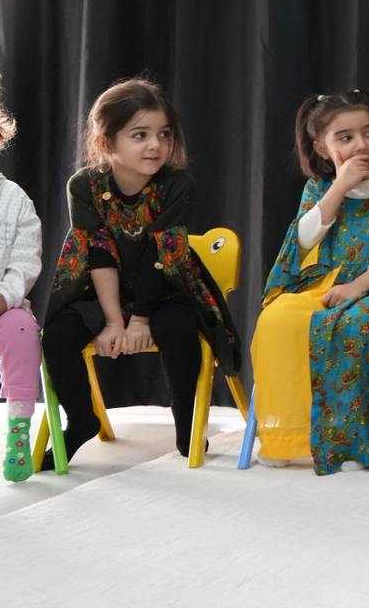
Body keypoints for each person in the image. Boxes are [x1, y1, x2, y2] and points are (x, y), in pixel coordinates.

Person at [41, 77, 240, 470]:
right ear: (106, 142)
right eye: (140, 135)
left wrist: (141, 318)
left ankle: (186, 423)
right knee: (59, 335)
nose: (155, 145)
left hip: (164, 286)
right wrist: (115, 320)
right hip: (103, 290)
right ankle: (81, 420)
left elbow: (157, 254)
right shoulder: (84, 186)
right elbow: (98, 252)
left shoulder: (177, 185)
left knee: (179, 328)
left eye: (163, 134)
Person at [251, 90, 369, 473]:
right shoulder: (317, 189)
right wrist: (339, 188)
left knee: (357, 324)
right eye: (346, 137)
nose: (361, 145)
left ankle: (353, 443)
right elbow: (303, 240)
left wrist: (358, 287)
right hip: (321, 284)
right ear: (322, 148)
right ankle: (288, 439)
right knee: (277, 320)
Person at [0, 75, 44, 482]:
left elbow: (26, 261)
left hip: (2, 307)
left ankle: (17, 431)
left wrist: (4, 297)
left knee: (22, 328)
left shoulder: (15, 200)